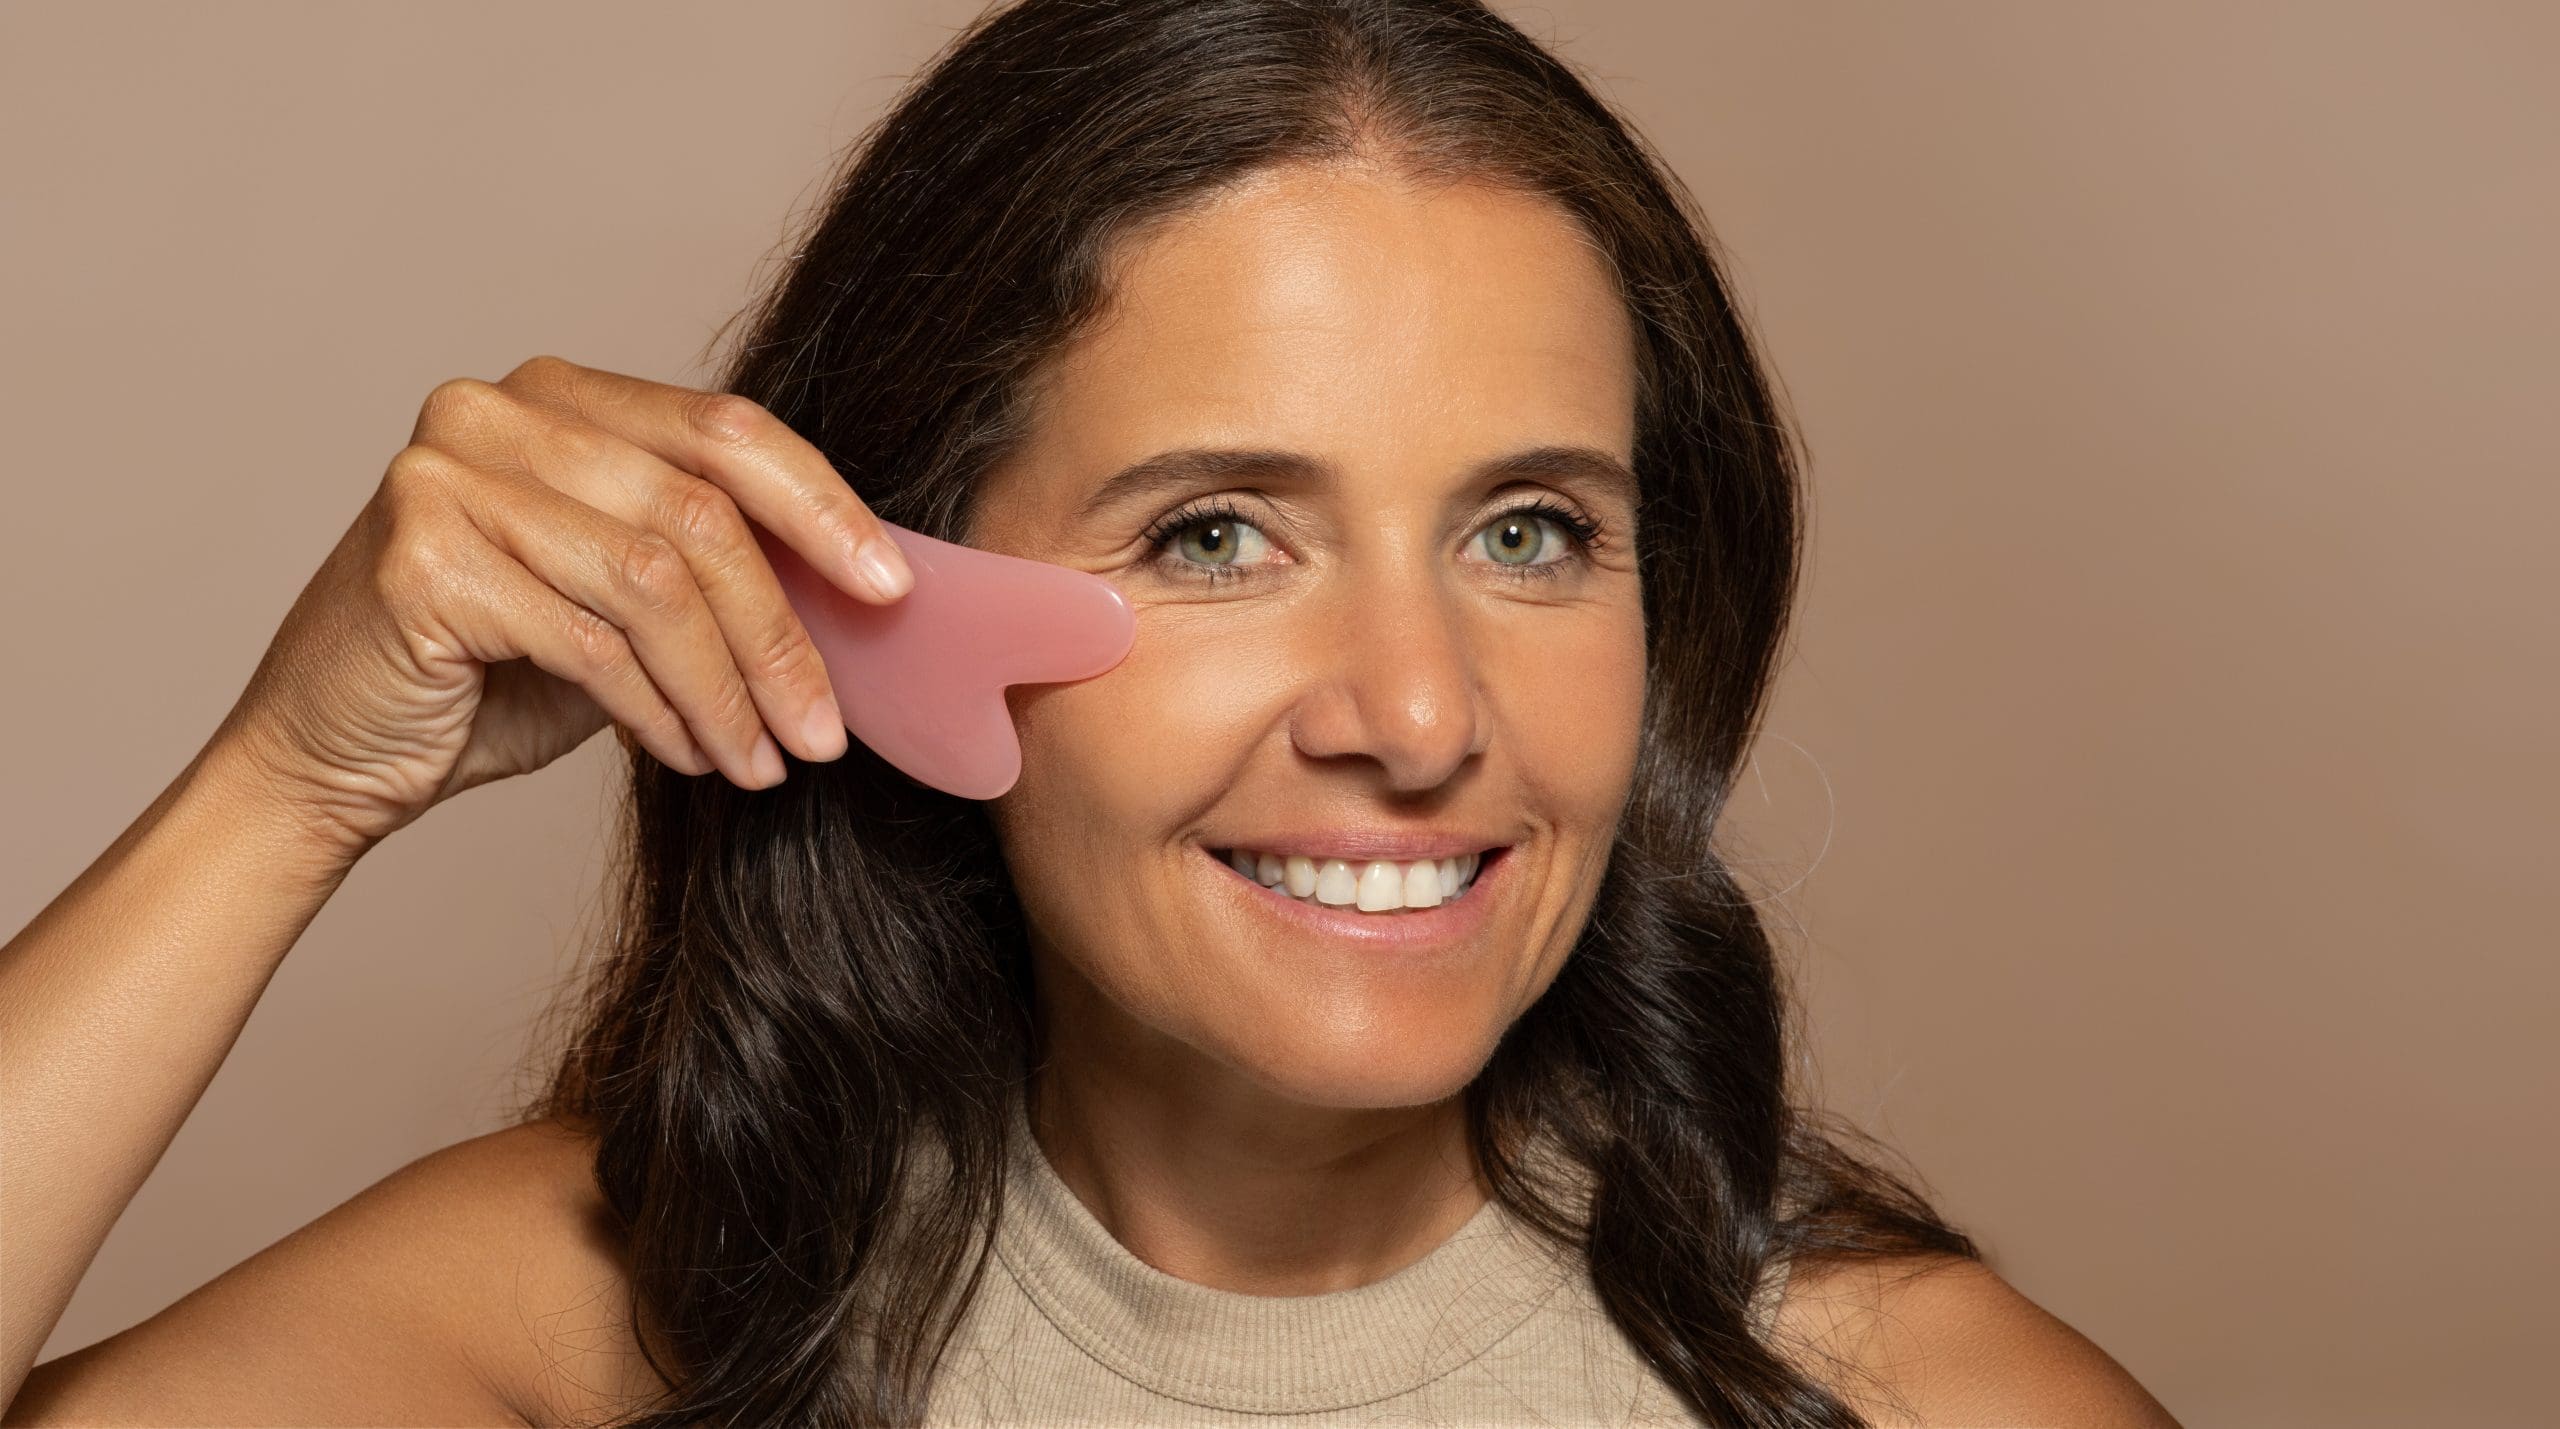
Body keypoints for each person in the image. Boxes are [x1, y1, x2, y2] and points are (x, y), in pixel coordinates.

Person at [0, 1, 2182, 1424]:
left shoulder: (1926, 1401)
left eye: (1526, 532)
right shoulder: (576, 1322)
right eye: (1219, 533)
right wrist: (285, 788)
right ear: (883, 596)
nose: (1421, 714)